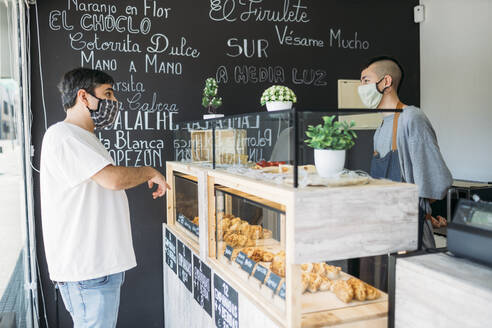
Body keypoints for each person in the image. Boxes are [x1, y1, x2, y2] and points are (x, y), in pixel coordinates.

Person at [40, 68, 170, 328]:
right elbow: (113, 180)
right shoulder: (64, 136)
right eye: (107, 94)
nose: (114, 102)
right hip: (88, 271)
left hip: (98, 269)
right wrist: (149, 171)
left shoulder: (84, 138)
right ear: (83, 96)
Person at [358, 56, 453, 248]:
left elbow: (439, 178)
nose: (361, 88)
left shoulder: (411, 117)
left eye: (366, 81)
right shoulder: (381, 128)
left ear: (386, 82)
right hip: (384, 227)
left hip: (410, 229)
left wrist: (419, 211)